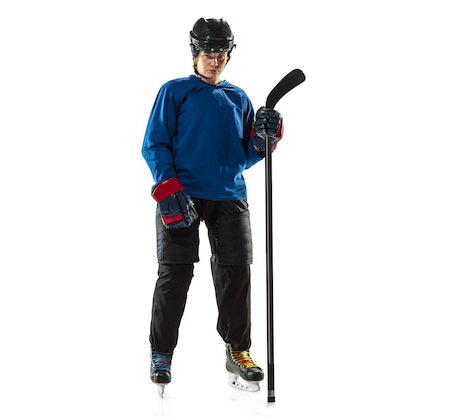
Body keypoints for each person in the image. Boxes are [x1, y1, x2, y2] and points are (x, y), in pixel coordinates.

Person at [141, 17, 284, 394]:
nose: (215, 60)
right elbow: (154, 144)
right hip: (181, 195)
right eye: (208, 53)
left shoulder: (239, 98)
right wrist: (168, 186)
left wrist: (266, 137)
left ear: (229, 55)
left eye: (221, 54)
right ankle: (161, 353)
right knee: (175, 273)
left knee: (236, 274)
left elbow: (248, 153)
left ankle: (238, 351)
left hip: (229, 195)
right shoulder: (174, 92)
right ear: (194, 52)